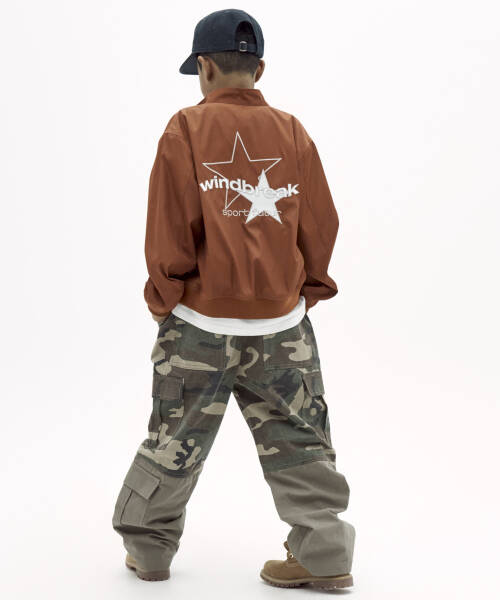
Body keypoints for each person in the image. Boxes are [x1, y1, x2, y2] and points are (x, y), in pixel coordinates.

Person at [112, 8, 355, 591]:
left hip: (199, 322)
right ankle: (324, 555)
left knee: (175, 436)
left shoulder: (185, 128)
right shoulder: (293, 131)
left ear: (204, 67)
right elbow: (320, 223)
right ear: (259, 68)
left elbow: (169, 229)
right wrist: (304, 291)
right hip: (282, 324)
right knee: (300, 436)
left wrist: (165, 297)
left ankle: (149, 552)